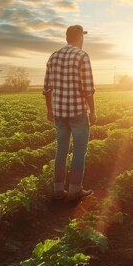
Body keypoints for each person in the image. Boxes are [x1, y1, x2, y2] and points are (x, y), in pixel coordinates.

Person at [43, 25, 97, 202]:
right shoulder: (82, 56)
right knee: (79, 152)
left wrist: (50, 110)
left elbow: (47, 88)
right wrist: (93, 111)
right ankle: (74, 191)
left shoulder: (53, 56)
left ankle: (58, 191)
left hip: (59, 113)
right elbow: (88, 89)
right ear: (80, 37)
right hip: (77, 113)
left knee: (61, 152)